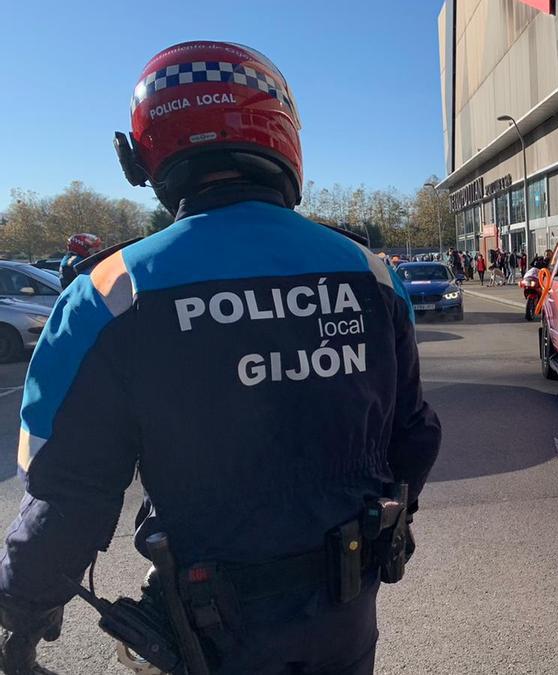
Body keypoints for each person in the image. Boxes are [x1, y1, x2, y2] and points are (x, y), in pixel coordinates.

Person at [0, 41, 441, 674]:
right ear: (283, 138)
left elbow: (67, 494)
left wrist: (23, 604)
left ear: (145, 154)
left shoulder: (112, 293)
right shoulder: (371, 275)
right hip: (344, 618)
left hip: (204, 631)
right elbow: (415, 436)